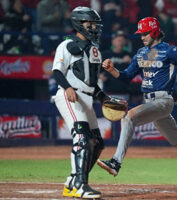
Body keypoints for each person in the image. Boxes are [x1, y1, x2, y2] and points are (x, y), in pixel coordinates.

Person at [97, 17, 177, 179]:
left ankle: (115, 162)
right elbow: (126, 76)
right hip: (150, 102)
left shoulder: (170, 51)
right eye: (141, 34)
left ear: (154, 32)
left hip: (164, 100)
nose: (141, 37)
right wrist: (112, 70)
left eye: (144, 34)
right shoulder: (142, 53)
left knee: (128, 117)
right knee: (175, 138)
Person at [52, 7, 108, 199]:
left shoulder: (95, 50)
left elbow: (92, 82)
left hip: (87, 98)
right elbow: (57, 71)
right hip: (70, 96)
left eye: (95, 24)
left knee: (97, 143)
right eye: (89, 24)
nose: (93, 27)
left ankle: (73, 181)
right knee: (82, 138)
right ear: (78, 24)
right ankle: (80, 186)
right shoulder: (66, 45)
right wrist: (67, 88)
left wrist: (104, 98)